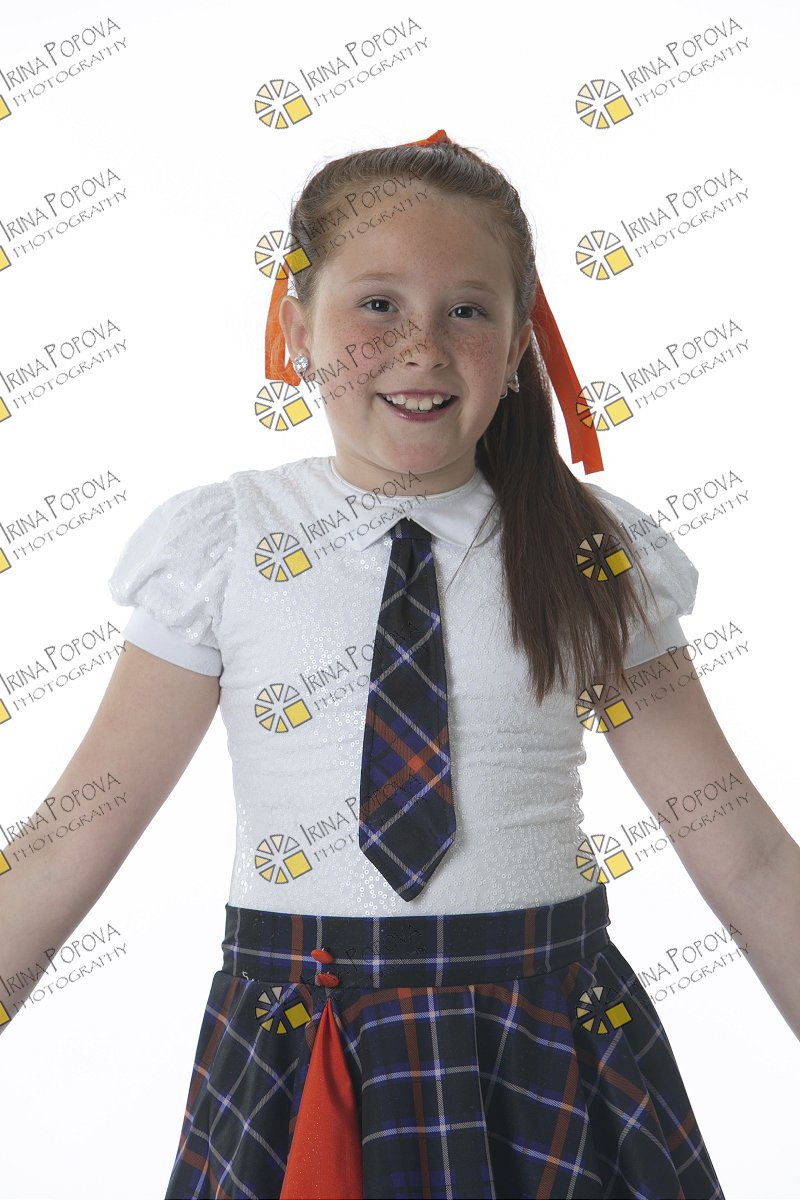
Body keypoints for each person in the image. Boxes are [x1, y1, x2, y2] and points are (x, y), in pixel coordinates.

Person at [3, 131, 798, 1200]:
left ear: (517, 345)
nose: (420, 347)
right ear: (298, 329)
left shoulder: (588, 549)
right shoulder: (225, 547)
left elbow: (744, 851)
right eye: (377, 304)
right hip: (303, 1055)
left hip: (549, 1051)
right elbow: (69, 837)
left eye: (466, 310)